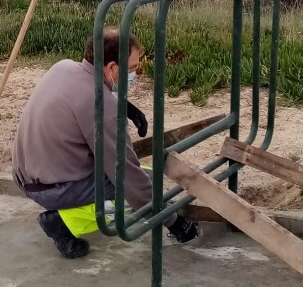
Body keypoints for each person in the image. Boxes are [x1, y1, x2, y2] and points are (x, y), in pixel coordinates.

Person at [12, 26, 198, 259]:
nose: (135, 74)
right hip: (54, 189)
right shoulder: (101, 106)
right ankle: (63, 222)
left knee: (144, 178)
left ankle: (68, 212)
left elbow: (82, 99)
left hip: (27, 175)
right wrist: (172, 221)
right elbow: (128, 178)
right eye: (132, 69)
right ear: (111, 67)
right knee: (144, 186)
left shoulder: (63, 67)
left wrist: (124, 106)